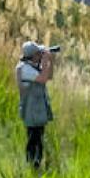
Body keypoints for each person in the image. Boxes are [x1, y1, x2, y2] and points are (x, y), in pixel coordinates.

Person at [17, 40, 56, 169]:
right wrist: (45, 61)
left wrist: (50, 60)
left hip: (37, 110)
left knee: (38, 139)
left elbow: (49, 76)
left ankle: (36, 165)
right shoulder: (24, 68)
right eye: (39, 54)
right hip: (31, 110)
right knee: (33, 140)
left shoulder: (32, 67)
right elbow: (43, 78)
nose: (40, 55)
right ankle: (32, 166)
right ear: (33, 55)